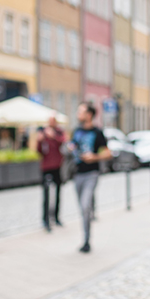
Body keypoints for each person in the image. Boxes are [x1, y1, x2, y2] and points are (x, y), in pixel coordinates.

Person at [69, 102, 111, 253]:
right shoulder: (76, 131)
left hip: (91, 174)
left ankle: (86, 241)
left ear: (89, 115)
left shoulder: (97, 132)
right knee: (82, 207)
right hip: (77, 174)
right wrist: (71, 147)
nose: (77, 114)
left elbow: (108, 153)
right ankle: (86, 233)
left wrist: (94, 157)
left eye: (80, 111)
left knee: (85, 205)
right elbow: (72, 144)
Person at [37, 113, 66, 232]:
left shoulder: (59, 132)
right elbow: (38, 151)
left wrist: (54, 136)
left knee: (58, 192)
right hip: (46, 167)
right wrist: (39, 140)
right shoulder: (43, 133)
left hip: (57, 166)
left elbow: (64, 143)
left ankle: (56, 217)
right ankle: (45, 219)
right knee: (46, 194)